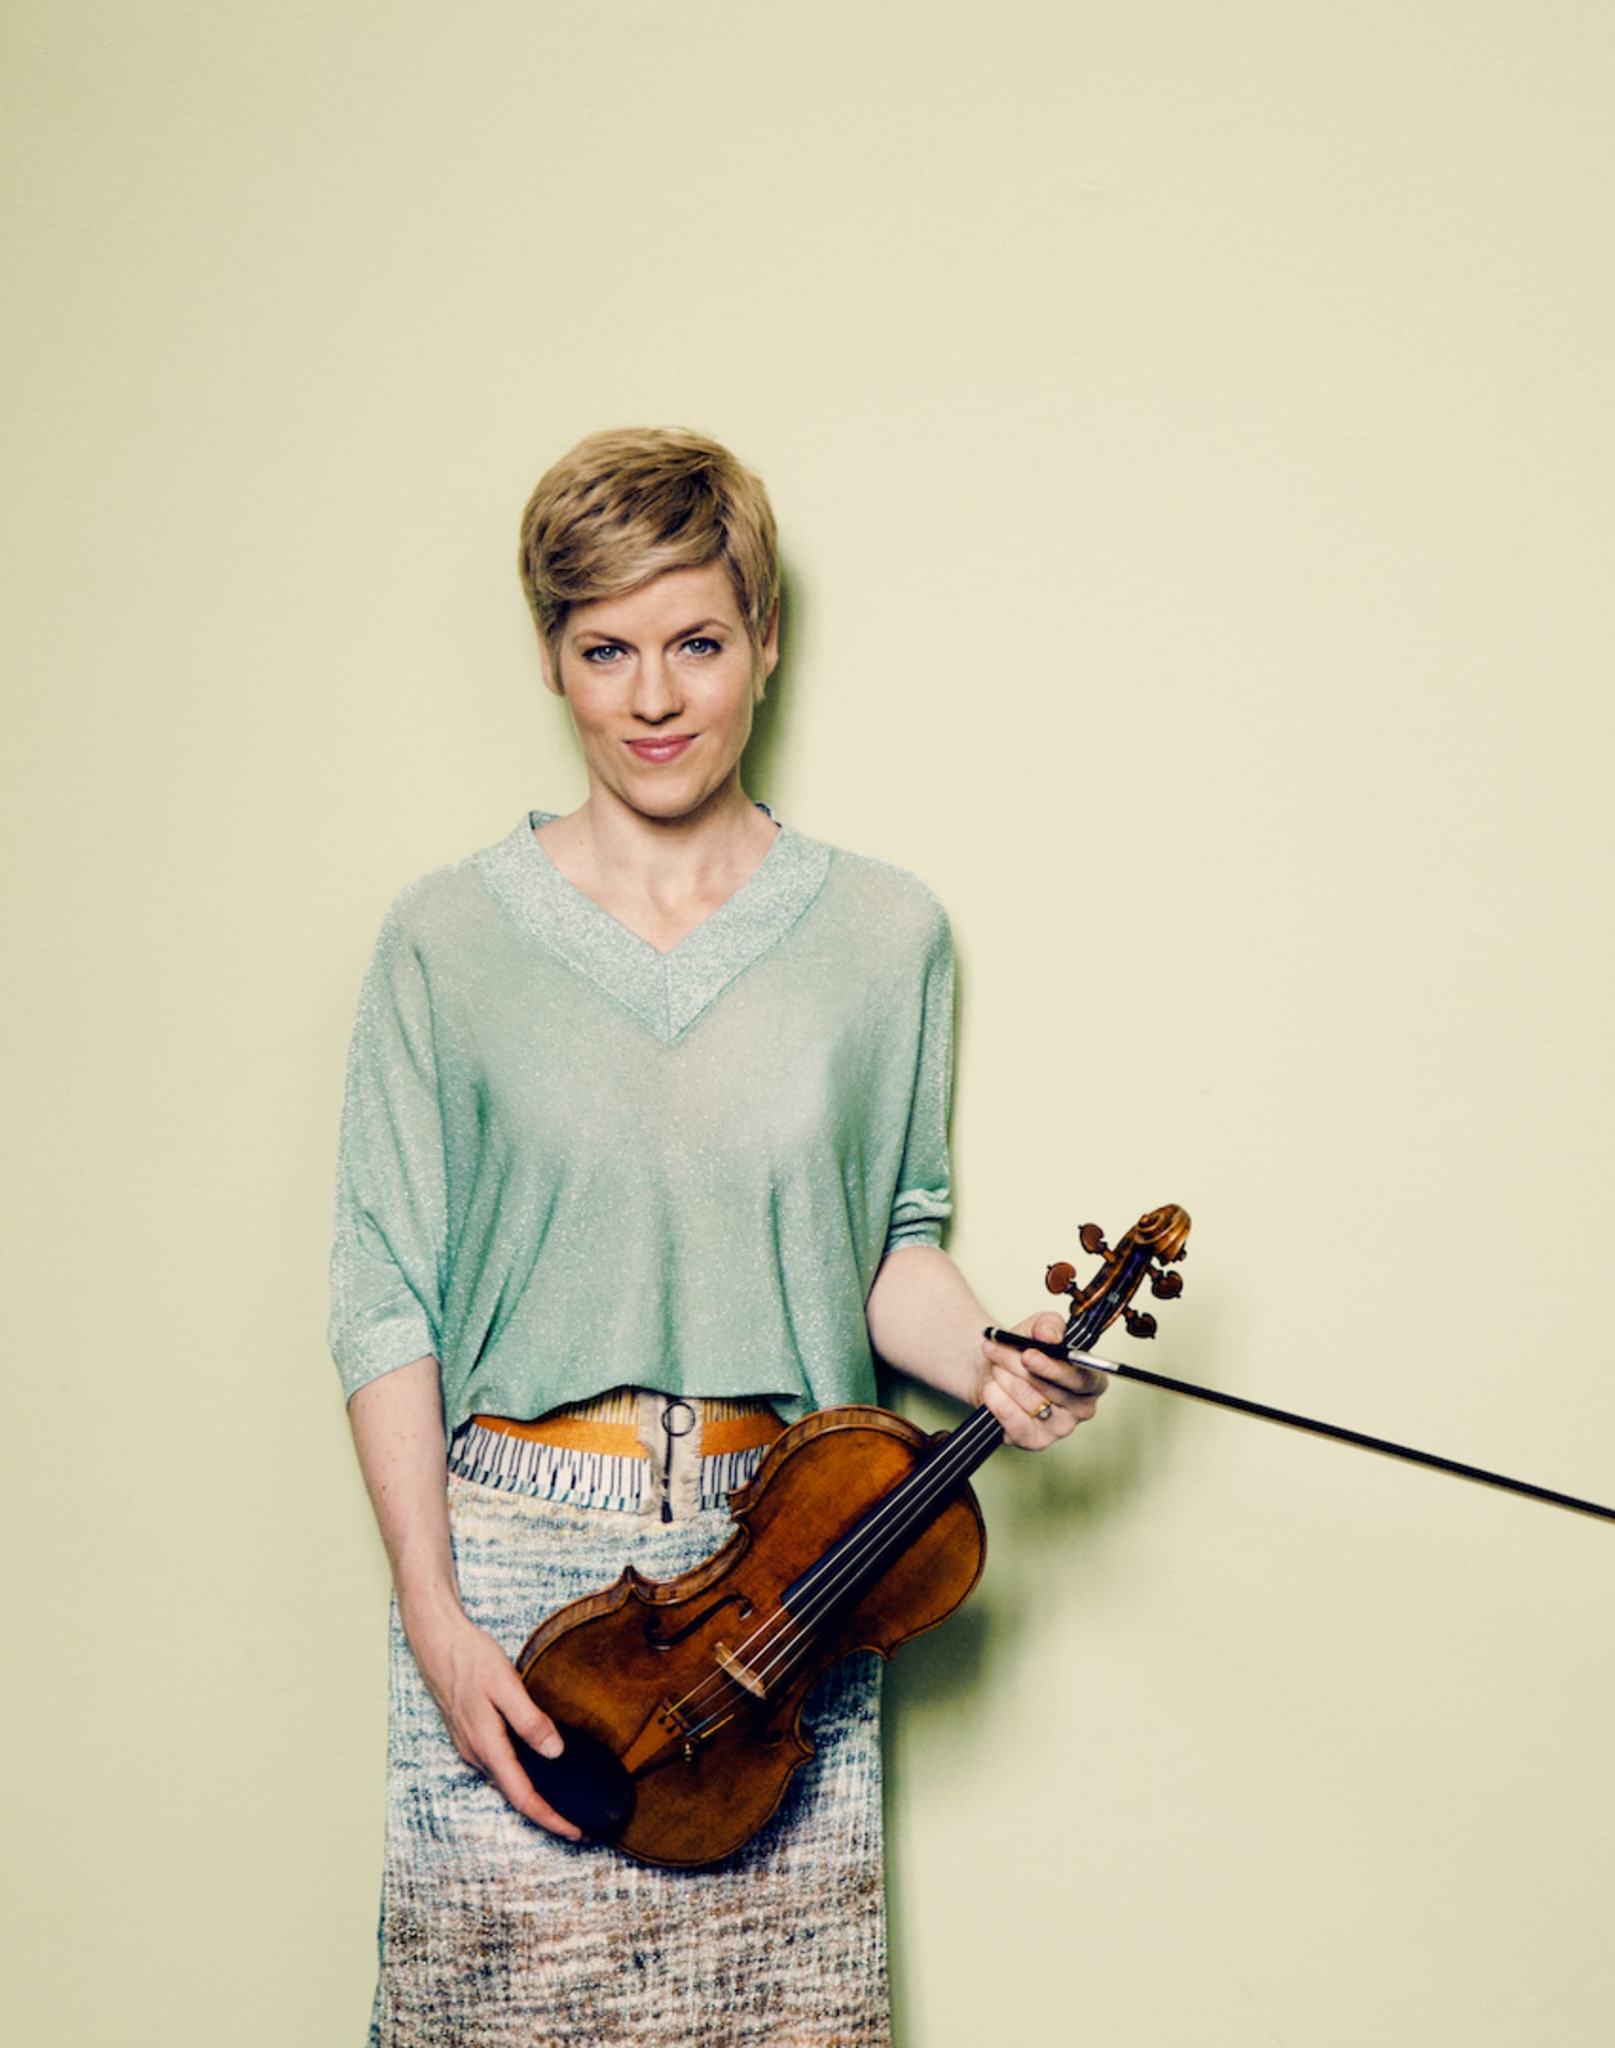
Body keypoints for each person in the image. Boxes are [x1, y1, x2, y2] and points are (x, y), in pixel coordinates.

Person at [328, 427, 1104, 2045]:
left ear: (765, 643)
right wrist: (434, 1612)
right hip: (525, 1587)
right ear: (553, 660)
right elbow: (383, 1291)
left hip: (788, 1592)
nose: (655, 695)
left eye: (696, 641)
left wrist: (990, 1358)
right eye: (606, 649)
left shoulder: (887, 936)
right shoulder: (445, 940)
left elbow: (885, 1242)